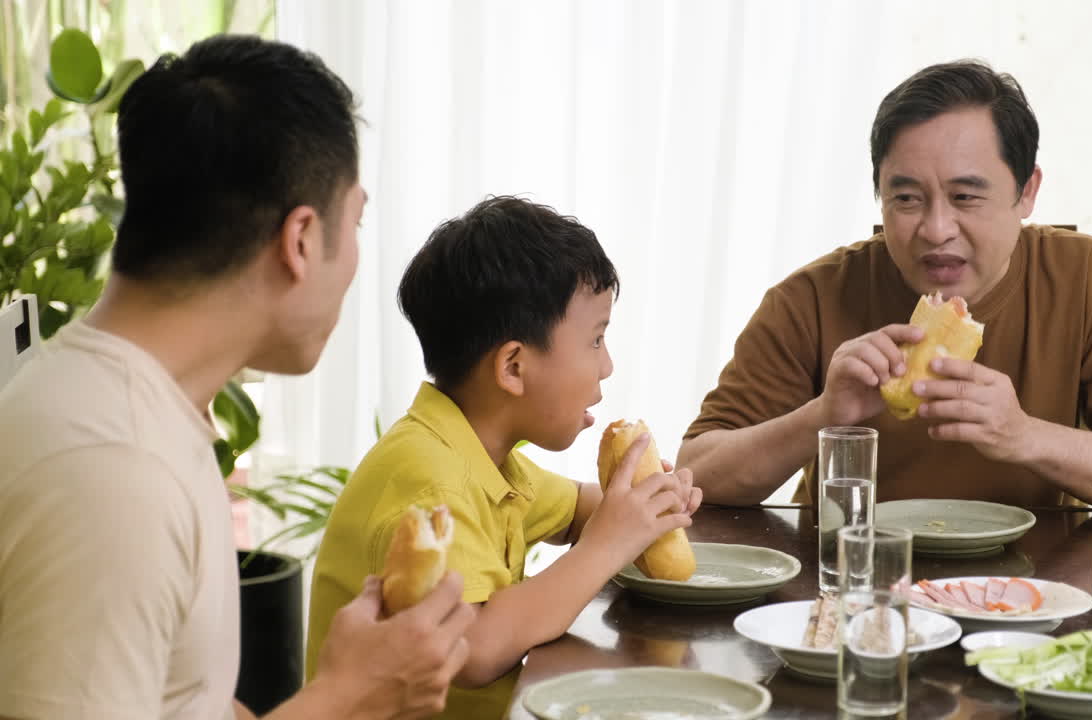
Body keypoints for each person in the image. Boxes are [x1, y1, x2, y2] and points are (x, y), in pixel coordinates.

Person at [0, 35, 473, 720]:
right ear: (302, 240)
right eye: (358, 219)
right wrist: (349, 700)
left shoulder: (142, 411)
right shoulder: (114, 468)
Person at [677, 59, 1092, 509]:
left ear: (1027, 192)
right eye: (906, 199)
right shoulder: (813, 296)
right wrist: (824, 416)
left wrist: (1024, 435)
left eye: (965, 197)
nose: (936, 229)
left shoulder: (1088, 278)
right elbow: (696, 471)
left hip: (1037, 591)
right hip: (850, 583)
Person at [306, 196, 700, 719]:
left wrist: (646, 507)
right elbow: (475, 648)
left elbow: (585, 509)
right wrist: (610, 542)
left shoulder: (486, 457)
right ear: (513, 367)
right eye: (596, 340)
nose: (607, 366)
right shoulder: (432, 481)